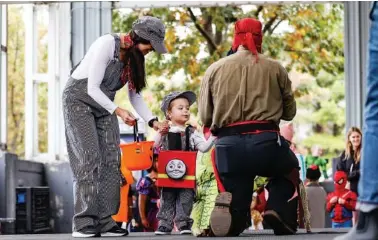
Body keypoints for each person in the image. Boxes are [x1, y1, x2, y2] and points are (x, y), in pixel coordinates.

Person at [62, 16, 169, 238]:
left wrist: (153, 121)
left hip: (105, 106)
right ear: (139, 38)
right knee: (89, 158)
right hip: (78, 100)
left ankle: (105, 221)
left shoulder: (135, 58)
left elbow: (135, 96)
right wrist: (118, 111)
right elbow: (92, 88)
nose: (150, 51)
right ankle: (83, 223)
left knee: (112, 160)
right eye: (150, 46)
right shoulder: (106, 44)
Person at [199, 18, 300, 237]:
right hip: (266, 144)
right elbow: (289, 113)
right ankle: (277, 208)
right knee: (289, 168)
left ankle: (235, 216)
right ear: (259, 37)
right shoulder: (275, 68)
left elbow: (205, 117)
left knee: (238, 186)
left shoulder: (214, 69)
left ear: (235, 38)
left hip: (228, 148)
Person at [335, 2, 378, 239]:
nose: (355, 138)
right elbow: (342, 175)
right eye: (352, 136)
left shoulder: (361, 154)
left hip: (360, 191)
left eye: (356, 135)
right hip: (352, 192)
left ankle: (369, 219)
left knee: (376, 105)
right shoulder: (346, 156)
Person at [153, 91, 215, 235]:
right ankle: (164, 224)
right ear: (169, 113)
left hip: (187, 174)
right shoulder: (165, 132)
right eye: (180, 108)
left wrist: (213, 136)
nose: (185, 110)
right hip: (167, 174)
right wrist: (160, 133)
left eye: (187, 108)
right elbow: (154, 146)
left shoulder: (192, 132)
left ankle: (184, 223)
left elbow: (204, 148)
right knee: (166, 197)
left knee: (186, 198)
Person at [136, 162, 159, 232]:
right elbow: (141, 201)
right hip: (152, 214)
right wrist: (143, 218)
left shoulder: (168, 178)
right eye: (157, 160)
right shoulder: (146, 180)